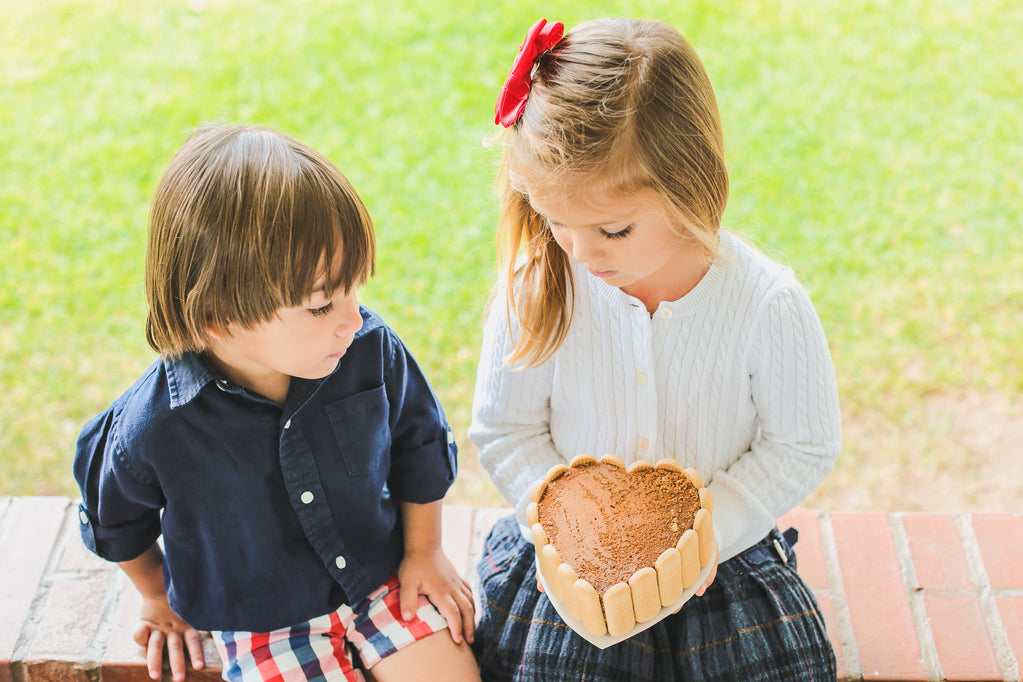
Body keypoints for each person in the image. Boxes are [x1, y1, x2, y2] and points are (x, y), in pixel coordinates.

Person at [469, 18, 841, 681]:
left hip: (716, 566)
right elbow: (505, 429)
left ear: (688, 185)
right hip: (573, 574)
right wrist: (572, 539)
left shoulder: (764, 303)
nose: (580, 252)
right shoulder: (538, 288)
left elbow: (800, 444)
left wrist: (707, 535)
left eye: (612, 229)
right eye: (556, 222)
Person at [74, 124, 481, 682]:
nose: (353, 318)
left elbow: (421, 444)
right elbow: (116, 520)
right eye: (320, 305)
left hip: (382, 573)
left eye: (355, 288)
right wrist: (156, 597)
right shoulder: (155, 427)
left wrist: (425, 550)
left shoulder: (367, 349)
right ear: (217, 317)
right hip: (261, 617)